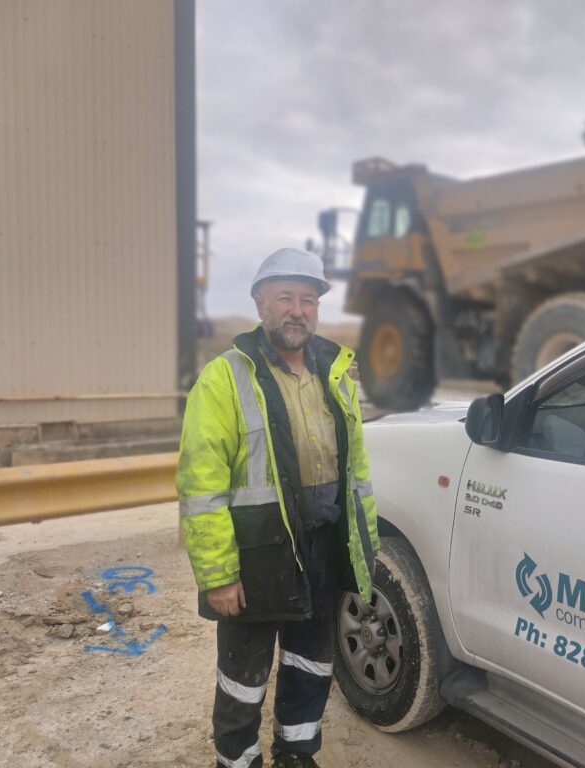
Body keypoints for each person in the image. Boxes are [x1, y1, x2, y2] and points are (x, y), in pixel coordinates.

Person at [176, 248, 380, 768]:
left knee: (311, 661)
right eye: (285, 297)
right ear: (260, 303)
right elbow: (201, 486)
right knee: (244, 675)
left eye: (307, 299)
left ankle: (296, 752)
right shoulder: (225, 377)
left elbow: (356, 475)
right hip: (256, 553)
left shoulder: (335, 374)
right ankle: (238, 760)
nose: (297, 310)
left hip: (323, 546)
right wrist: (218, 574)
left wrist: (364, 549)